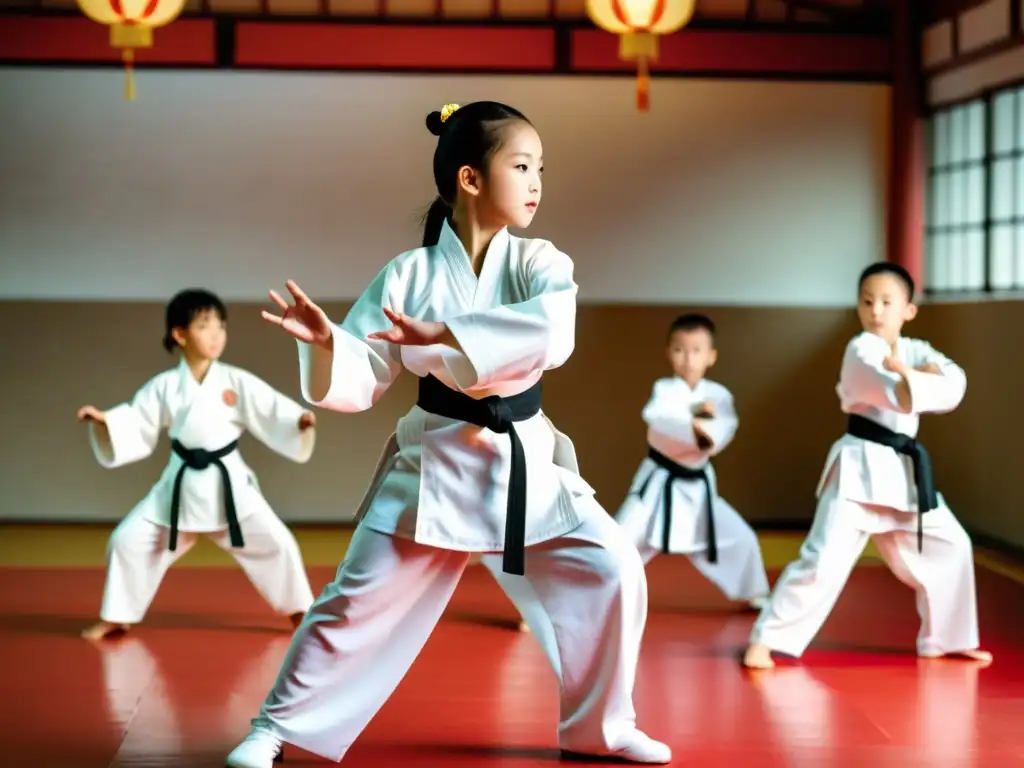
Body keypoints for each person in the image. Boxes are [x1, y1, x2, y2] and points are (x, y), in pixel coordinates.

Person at [225, 102, 670, 767]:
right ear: (469, 178)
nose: (536, 182)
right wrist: (328, 344)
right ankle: (273, 727)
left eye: (540, 168)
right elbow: (366, 369)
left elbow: (554, 332)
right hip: (434, 464)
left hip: (525, 462)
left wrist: (451, 333)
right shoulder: (408, 273)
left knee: (613, 568)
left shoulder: (541, 262)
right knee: (351, 603)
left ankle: (599, 730)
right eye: (521, 166)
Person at [743, 263, 991, 669]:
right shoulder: (860, 350)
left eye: (887, 302)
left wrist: (912, 372)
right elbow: (897, 394)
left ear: (907, 310)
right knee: (822, 559)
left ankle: (945, 639)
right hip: (859, 467)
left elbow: (954, 384)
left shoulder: (916, 350)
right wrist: (914, 379)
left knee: (952, 546)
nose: (876, 311)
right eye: (867, 301)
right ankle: (766, 639)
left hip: (903, 473)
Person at [78, 288, 317, 642]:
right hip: (179, 488)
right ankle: (117, 616)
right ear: (180, 334)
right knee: (127, 542)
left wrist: (297, 422)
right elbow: (136, 418)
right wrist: (106, 422)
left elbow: (270, 409)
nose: (216, 334)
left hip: (230, 489)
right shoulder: (165, 386)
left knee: (279, 544)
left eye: (221, 325)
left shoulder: (234, 381)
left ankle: (301, 613)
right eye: (205, 325)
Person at [614, 313, 770, 609]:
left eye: (696, 350)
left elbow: (724, 428)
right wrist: (694, 422)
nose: (687, 358)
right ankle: (578, 598)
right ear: (668, 353)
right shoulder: (665, 390)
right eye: (679, 349)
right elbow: (658, 418)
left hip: (698, 490)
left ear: (711, 357)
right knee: (618, 541)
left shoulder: (718, 395)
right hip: (659, 486)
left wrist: (705, 434)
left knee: (742, 538)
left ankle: (754, 592)